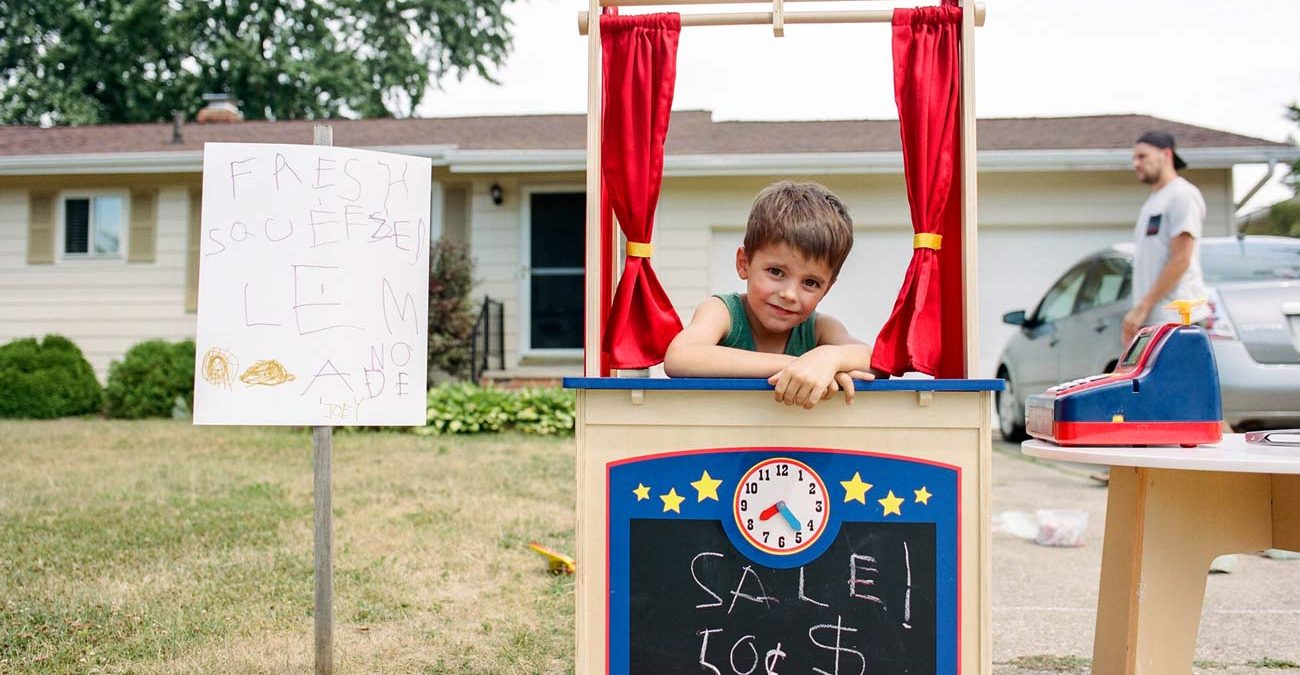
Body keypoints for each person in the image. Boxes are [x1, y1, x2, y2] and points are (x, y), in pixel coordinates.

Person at [663, 181, 875, 408]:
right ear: (744, 264)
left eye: (810, 282)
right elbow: (680, 356)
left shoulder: (820, 328)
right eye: (776, 272)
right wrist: (800, 366)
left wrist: (829, 360)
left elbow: (877, 361)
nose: (789, 294)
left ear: (827, 289)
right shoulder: (722, 312)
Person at [1122, 130, 1211, 346]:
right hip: (1156, 321)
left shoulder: (1182, 195)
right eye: (1134, 158)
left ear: (1166, 154)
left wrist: (1142, 308)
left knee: (1183, 381)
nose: (1136, 163)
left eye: (1142, 156)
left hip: (1179, 321)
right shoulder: (1154, 201)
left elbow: (1181, 259)